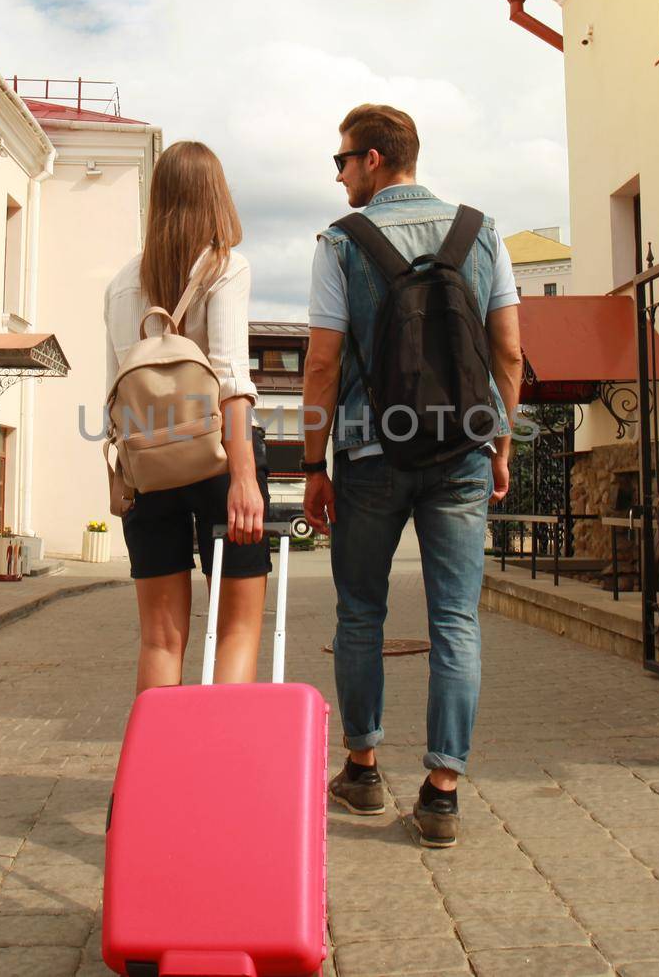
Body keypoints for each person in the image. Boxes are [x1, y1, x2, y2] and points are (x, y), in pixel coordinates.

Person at [301, 104, 523, 848]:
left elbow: (324, 363)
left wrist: (311, 462)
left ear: (373, 159)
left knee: (360, 612)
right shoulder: (482, 231)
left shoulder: (341, 243)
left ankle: (362, 772)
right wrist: (502, 445)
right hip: (462, 449)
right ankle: (442, 795)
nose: (337, 175)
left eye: (342, 161)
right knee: (455, 618)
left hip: (370, 452)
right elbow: (509, 353)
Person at [104, 140, 269, 692]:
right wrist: (244, 480)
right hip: (218, 461)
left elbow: (116, 393)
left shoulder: (121, 284)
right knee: (237, 630)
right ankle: (221, 771)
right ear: (215, 196)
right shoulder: (225, 266)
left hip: (148, 470)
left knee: (159, 638)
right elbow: (229, 379)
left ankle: (157, 775)